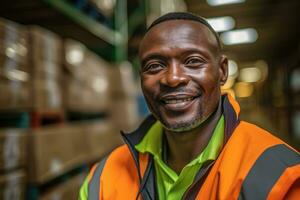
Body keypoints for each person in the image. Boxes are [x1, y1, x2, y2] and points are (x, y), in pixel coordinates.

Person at [79, 12, 300, 200]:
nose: (173, 78)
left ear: (222, 71)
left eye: (193, 61)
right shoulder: (103, 178)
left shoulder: (280, 177)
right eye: (155, 66)